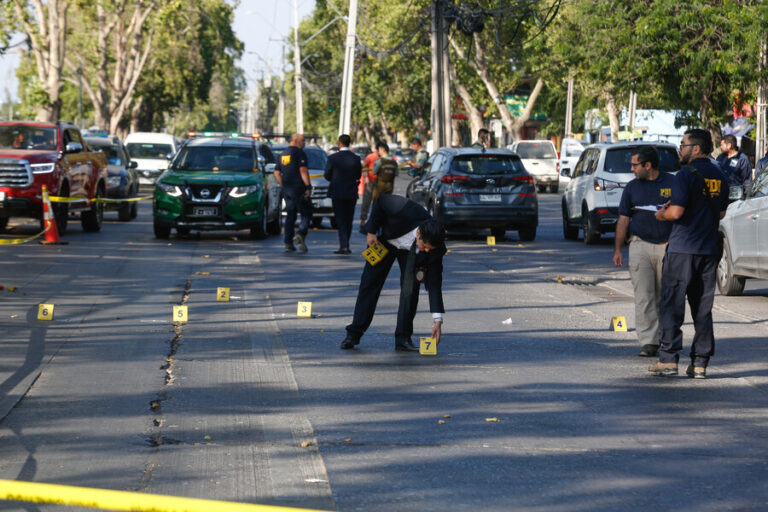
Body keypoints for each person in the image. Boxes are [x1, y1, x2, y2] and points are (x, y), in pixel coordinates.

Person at [650, 128, 729, 379]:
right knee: (702, 309)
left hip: (683, 248)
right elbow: (721, 214)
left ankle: (668, 359)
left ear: (696, 148)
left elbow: (676, 213)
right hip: (708, 251)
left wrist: (661, 214)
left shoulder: (684, 175)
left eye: (683, 145)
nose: (680, 149)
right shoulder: (720, 174)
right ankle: (700, 363)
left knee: (672, 303)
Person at [341, 194, 446, 352]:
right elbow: (381, 200)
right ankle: (354, 333)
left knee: (410, 291)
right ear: (419, 234)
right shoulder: (405, 209)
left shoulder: (435, 249)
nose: (426, 251)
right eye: (425, 246)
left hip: (409, 253)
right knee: (369, 284)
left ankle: (403, 338)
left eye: (430, 250)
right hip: (385, 241)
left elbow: (434, 282)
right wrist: (371, 231)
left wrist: (437, 320)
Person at [613, 146, 675, 358]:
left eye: (634, 165)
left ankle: (667, 339)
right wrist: (618, 249)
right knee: (644, 296)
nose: (631, 169)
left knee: (665, 296)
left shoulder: (672, 183)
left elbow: (682, 213)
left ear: (648, 165)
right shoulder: (631, 188)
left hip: (667, 247)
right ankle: (649, 342)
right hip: (639, 245)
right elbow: (623, 220)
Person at [324, 134, 362, 255]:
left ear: (339, 143)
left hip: (337, 192)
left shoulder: (332, 158)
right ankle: (345, 244)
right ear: (349, 143)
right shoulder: (356, 158)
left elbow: (327, 175)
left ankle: (344, 245)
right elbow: (358, 175)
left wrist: (334, 179)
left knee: (340, 219)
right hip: (351, 192)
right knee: (348, 219)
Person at [274, 133, 312, 253]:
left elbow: (276, 173)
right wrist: (308, 186)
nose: (304, 143)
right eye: (303, 140)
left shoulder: (283, 154)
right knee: (306, 213)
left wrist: (283, 184)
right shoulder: (299, 153)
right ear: (296, 141)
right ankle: (300, 234)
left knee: (291, 215)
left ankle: (288, 243)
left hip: (287, 190)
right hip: (298, 188)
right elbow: (303, 170)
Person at [359, 148, 380, 233]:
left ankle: (371, 222)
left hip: (377, 183)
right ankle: (363, 221)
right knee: (368, 202)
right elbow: (363, 166)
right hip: (372, 183)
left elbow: (362, 166)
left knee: (374, 203)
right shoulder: (371, 157)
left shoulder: (382, 158)